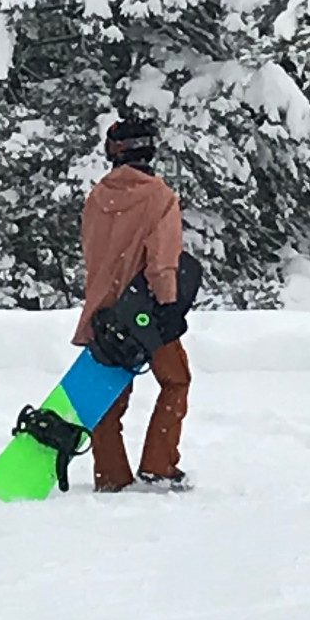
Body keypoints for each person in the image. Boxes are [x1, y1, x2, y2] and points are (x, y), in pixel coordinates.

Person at [74, 115, 190, 492]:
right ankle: (159, 464)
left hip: (103, 313)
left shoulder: (96, 196)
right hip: (146, 311)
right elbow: (162, 261)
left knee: (109, 397)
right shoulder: (159, 197)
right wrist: (169, 305)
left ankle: (111, 475)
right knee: (175, 380)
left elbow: (92, 255)